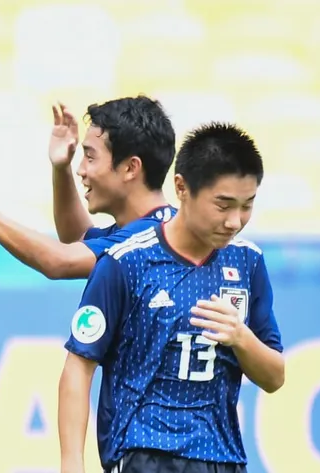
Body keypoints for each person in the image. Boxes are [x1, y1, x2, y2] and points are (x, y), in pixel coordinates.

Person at [58, 122, 285, 473]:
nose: (235, 221)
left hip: (221, 459)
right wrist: (72, 463)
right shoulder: (125, 262)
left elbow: (274, 377)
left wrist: (241, 338)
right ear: (181, 188)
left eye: (247, 205)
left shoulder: (247, 262)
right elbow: (79, 364)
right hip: (142, 454)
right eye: (223, 205)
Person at [0, 96, 177, 279]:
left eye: (90, 157)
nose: (81, 170)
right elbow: (75, 240)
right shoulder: (140, 232)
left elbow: (60, 261)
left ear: (130, 168)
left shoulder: (158, 238)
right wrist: (61, 167)